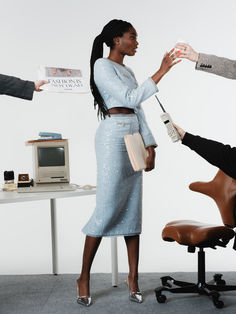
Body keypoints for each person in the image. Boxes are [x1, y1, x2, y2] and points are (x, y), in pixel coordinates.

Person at [76, 19, 181, 307]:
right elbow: (128, 97)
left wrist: (151, 144)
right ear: (115, 40)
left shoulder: (128, 69)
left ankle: (132, 277)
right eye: (132, 37)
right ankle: (83, 277)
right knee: (107, 207)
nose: (136, 42)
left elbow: (138, 108)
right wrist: (162, 71)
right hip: (112, 136)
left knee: (132, 208)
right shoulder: (101, 66)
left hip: (133, 133)